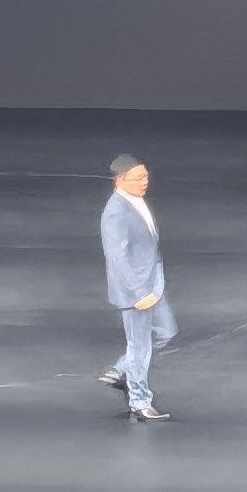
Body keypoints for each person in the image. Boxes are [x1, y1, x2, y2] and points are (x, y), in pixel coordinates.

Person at [97, 153, 174, 424]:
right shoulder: (115, 212)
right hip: (137, 292)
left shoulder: (135, 201)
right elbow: (118, 257)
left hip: (153, 284)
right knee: (139, 347)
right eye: (138, 178)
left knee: (165, 332)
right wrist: (140, 292)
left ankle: (121, 370)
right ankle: (140, 402)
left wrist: (155, 286)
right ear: (120, 180)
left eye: (146, 176)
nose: (144, 182)